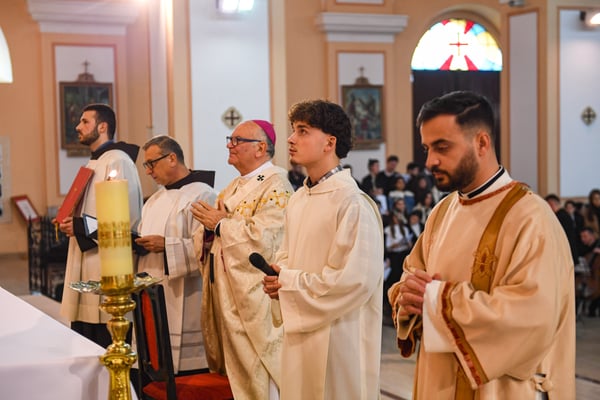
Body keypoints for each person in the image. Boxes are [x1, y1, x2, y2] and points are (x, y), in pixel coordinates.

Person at [387, 91, 575, 399]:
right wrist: (406, 297)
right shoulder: (442, 211)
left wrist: (438, 301)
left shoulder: (530, 217)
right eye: (426, 148)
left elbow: (533, 317)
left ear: (482, 143)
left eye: (442, 147)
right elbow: (412, 277)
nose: (430, 161)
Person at [262, 100, 384, 399]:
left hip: (340, 339)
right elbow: (286, 256)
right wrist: (278, 278)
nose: (291, 139)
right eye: (293, 130)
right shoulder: (299, 198)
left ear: (330, 143)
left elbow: (354, 282)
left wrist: (289, 282)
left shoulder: (353, 203)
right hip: (300, 333)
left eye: (302, 131)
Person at [190, 120, 293, 399]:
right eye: (230, 139)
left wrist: (220, 225)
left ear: (261, 148)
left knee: (259, 375)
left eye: (237, 141)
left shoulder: (277, 186)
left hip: (256, 297)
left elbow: (267, 241)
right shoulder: (233, 186)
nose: (229, 145)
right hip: (228, 293)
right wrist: (209, 231)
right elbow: (211, 232)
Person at [57, 103, 143, 347]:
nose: (78, 126)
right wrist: (70, 222)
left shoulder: (118, 161)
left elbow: (125, 220)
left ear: (103, 127)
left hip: (105, 262)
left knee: (105, 334)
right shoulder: (95, 162)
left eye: (85, 121)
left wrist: (80, 227)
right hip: (86, 258)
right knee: (85, 335)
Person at [134, 135, 217, 373]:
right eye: (146, 165)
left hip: (186, 295)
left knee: (184, 378)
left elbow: (210, 249)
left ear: (172, 158)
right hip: (152, 290)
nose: (148, 171)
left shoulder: (203, 195)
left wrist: (167, 245)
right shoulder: (153, 201)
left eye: (151, 163)